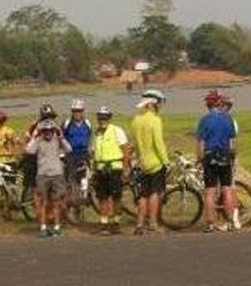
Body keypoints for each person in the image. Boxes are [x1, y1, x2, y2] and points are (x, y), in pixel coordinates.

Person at [196, 90, 239, 232]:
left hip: (210, 157)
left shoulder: (204, 120)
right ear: (219, 103)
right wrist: (232, 157)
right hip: (225, 156)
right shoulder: (228, 119)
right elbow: (232, 142)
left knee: (209, 191)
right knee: (227, 189)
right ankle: (231, 221)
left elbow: (201, 143)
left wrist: (200, 159)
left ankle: (210, 223)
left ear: (207, 105)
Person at [130, 89, 170, 235]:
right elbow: (158, 143)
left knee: (143, 195)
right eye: (159, 103)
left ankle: (139, 224)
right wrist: (166, 161)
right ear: (153, 104)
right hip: (155, 163)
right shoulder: (155, 120)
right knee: (154, 193)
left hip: (141, 163)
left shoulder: (136, 120)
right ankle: (153, 224)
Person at [25, 119, 72, 238]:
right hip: (43, 175)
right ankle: (43, 227)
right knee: (43, 203)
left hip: (57, 175)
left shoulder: (58, 141)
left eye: (50, 131)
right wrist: (35, 136)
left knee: (56, 202)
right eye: (45, 131)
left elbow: (69, 149)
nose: (48, 133)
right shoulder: (39, 141)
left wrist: (61, 136)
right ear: (42, 131)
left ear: (53, 131)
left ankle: (57, 227)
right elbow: (29, 150)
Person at [89, 105, 131, 234]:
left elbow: (125, 149)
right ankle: (104, 223)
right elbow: (94, 153)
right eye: (101, 118)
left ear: (109, 118)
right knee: (102, 197)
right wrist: (94, 170)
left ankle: (116, 222)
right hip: (100, 169)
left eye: (105, 118)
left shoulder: (117, 130)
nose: (103, 120)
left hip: (115, 168)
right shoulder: (96, 134)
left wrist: (125, 168)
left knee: (116, 197)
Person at [62, 99, 93, 205]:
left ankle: (86, 196)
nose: (77, 113)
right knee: (71, 177)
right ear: (72, 112)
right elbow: (62, 138)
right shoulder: (66, 124)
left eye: (79, 111)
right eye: (75, 111)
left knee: (87, 176)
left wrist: (90, 149)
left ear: (83, 111)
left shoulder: (87, 123)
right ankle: (71, 199)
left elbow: (89, 137)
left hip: (84, 153)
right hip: (71, 155)